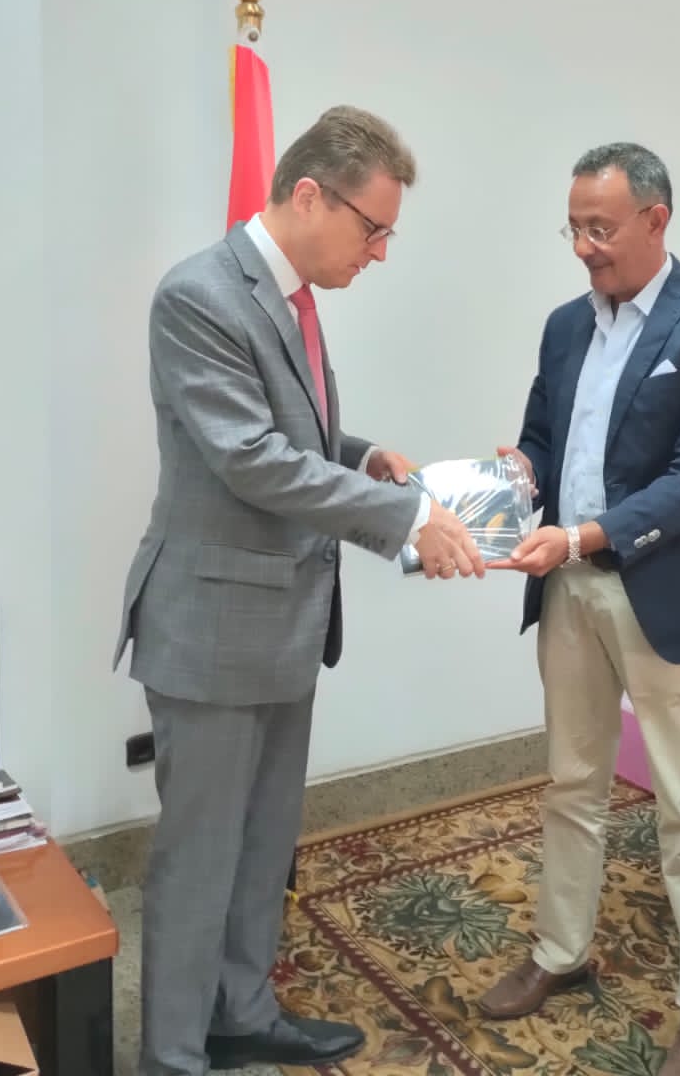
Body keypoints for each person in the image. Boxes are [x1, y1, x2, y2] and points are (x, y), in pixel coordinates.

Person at [113, 105, 484, 1076]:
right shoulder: (198, 295)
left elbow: (296, 436)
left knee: (264, 843)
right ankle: (173, 1055)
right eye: (374, 228)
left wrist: (363, 454)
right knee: (199, 857)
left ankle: (241, 1010)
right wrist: (404, 518)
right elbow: (250, 458)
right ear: (311, 195)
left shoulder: (294, 301)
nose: (380, 252)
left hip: (284, 620)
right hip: (211, 624)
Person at [483, 142, 680, 1076]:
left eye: (599, 228)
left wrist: (584, 536)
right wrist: (522, 471)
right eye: (572, 228)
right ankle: (560, 951)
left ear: (656, 219)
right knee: (572, 782)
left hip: (669, 593)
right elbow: (543, 435)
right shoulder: (566, 325)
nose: (583, 248)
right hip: (569, 588)